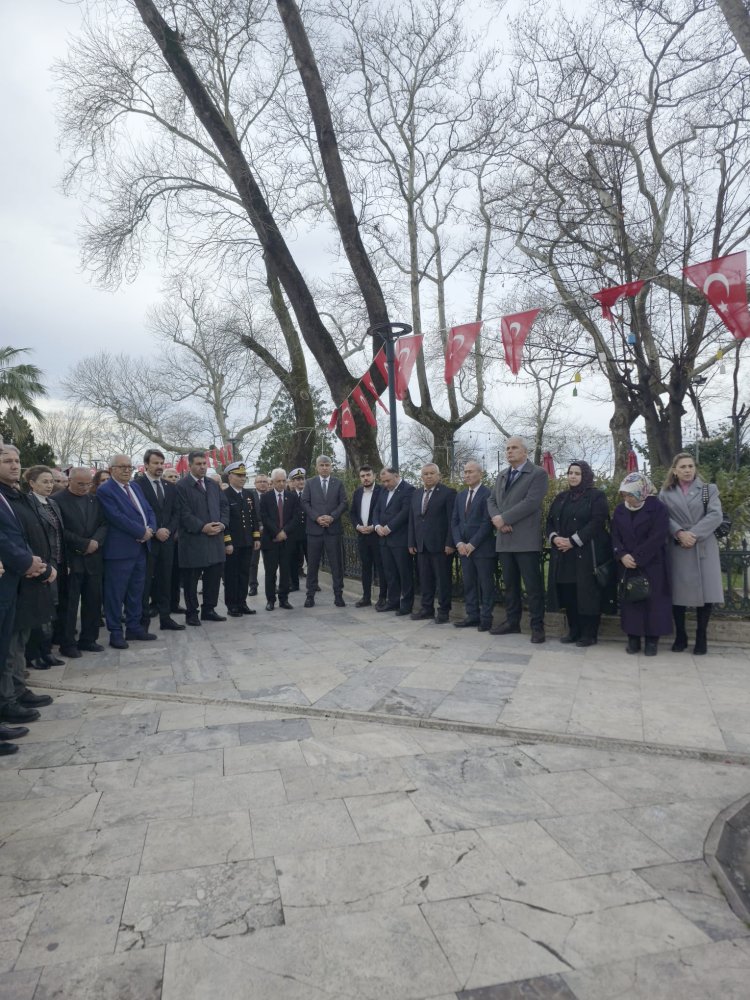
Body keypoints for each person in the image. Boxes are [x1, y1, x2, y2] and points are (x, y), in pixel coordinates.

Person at [0, 444, 56, 730]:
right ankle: (7, 698)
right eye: (6, 460)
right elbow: (6, 539)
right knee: (8, 645)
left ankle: (17, 689)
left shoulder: (16, 497)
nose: (13, 465)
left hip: (27, 575)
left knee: (18, 639)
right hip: (16, 575)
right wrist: (28, 562)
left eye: (17, 460)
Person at [659, 452, 725, 655]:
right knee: (677, 595)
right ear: (675, 471)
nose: (687, 470)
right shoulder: (666, 493)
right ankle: (681, 636)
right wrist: (679, 532)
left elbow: (716, 515)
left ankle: (701, 637)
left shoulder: (708, 490)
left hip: (702, 545)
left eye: (690, 466)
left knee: (706, 594)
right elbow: (663, 517)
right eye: (683, 467)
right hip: (679, 546)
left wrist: (693, 534)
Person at [487, 436, 549, 643]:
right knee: (510, 585)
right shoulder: (502, 475)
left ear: (525, 452)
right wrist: (498, 520)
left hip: (525, 540)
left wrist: (504, 518)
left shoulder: (538, 473)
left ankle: (537, 626)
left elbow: (531, 502)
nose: (509, 451)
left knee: (532, 586)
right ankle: (512, 622)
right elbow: (491, 500)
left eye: (514, 448)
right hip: (504, 540)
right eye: (507, 448)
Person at [546, 460, 612, 647]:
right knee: (569, 593)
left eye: (577, 473)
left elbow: (597, 522)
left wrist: (573, 541)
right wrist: (554, 538)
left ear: (585, 475)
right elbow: (549, 522)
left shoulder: (596, 496)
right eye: (570, 473)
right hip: (564, 555)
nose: (573, 476)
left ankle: (589, 633)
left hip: (586, 554)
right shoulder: (561, 497)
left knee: (587, 594)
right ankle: (573, 630)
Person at [97, 455, 158, 648]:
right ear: (111, 468)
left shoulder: (135, 486)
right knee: (116, 593)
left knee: (136, 591)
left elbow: (148, 510)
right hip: (120, 551)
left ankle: (134, 627)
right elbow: (116, 516)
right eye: (122, 466)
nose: (126, 470)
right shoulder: (106, 490)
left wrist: (150, 529)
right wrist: (141, 531)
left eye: (129, 466)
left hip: (141, 548)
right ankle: (115, 632)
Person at [611, 472, 672, 656]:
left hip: (652, 562)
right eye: (624, 494)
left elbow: (658, 536)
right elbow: (614, 535)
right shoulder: (620, 510)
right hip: (627, 564)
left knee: (654, 602)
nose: (627, 498)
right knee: (632, 602)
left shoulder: (657, 508)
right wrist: (621, 555)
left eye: (630, 494)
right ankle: (633, 638)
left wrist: (637, 557)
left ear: (641, 492)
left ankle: (652, 640)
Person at [174, 449, 231, 626]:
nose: (202, 467)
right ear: (189, 465)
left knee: (213, 578)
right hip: (193, 541)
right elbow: (183, 514)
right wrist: (202, 527)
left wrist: (222, 524)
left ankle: (209, 609)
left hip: (215, 539)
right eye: (198, 464)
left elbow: (224, 507)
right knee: (191, 581)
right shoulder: (181, 486)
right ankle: (192, 613)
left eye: (204, 463)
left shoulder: (213, 485)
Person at [54, 467, 107, 657]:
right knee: (69, 604)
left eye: (88, 484)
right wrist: (84, 543)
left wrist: (96, 542)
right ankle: (67, 643)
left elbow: (103, 524)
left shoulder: (95, 499)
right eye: (81, 484)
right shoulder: (57, 500)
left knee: (93, 601)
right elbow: (59, 529)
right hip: (72, 558)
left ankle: (88, 639)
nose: (85, 487)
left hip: (93, 558)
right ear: (70, 480)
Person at [135, 449, 184, 632]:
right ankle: (142, 620)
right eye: (155, 463)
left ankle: (166, 618)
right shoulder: (137, 485)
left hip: (167, 541)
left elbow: (176, 512)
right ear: (146, 464)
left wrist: (169, 530)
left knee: (165, 580)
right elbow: (138, 512)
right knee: (145, 582)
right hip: (148, 541)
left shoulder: (170, 486)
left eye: (162, 463)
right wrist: (155, 531)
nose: (159, 467)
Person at [22, 466, 66, 669]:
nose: (49, 485)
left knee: (52, 608)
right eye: (44, 482)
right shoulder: (27, 504)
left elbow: (60, 535)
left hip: (56, 562)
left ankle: (46, 650)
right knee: (39, 610)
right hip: (40, 564)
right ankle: (33, 653)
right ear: (32, 484)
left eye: (51, 481)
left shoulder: (53, 504)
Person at [408, 464, 456, 623]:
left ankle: (443, 611)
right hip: (421, 545)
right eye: (425, 474)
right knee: (425, 579)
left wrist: (450, 542)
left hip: (441, 546)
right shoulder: (416, 494)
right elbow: (412, 520)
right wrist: (411, 541)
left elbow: (451, 521)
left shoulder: (448, 493)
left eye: (432, 473)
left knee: (442, 580)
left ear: (439, 475)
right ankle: (426, 608)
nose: (428, 476)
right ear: (421, 476)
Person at [452, 460, 496, 631]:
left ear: (480, 474)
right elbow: (454, 521)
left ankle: (486, 618)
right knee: (469, 584)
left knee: (486, 585)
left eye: (471, 471)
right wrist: (459, 543)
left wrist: (472, 544)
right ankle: (472, 615)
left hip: (482, 549)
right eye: (465, 472)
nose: (467, 475)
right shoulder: (460, 495)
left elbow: (487, 523)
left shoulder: (488, 494)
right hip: (464, 549)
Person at [301, 455, 347, 608]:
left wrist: (332, 517)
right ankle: (310, 596)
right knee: (313, 565)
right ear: (317, 467)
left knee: (336, 565)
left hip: (333, 530)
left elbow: (344, 503)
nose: (325, 467)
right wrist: (316, 517)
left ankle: (338, 595)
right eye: (322, 465)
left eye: (327, 465)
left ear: (331, 467)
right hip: (314, 531)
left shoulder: (338, 483)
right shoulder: (309, 483)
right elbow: (305, 502)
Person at [373, 468, 415, 615]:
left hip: (400, 539)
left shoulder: (408, 490)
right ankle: (393, 601)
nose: (385, 484)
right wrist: (377, 526)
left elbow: (405, 512)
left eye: (388, 480)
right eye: (383, 481)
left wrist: (389, 528)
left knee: (404, 573)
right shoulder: (384, 491)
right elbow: (376, 510)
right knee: (390, 573)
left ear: (397, 476)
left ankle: (406, 604)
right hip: (383, 539)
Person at [222, 461, 261, 616]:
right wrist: (227, 541)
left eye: (244, 475)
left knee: (244, 573)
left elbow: (254, 517)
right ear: (230, 476)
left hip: (247, 541)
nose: (242, 478)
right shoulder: (225, 495)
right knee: (232, 575)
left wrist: (256, 537)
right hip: (233, 542)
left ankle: (242, 602)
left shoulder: (248, 494)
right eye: (239, 475)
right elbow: (224, 521)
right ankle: (232, 605)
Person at [259, 468, 300, 610]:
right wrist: (277, 532)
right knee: (270, 572)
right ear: (273, 482)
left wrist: (285, 532)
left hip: (287, 540)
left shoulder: (292, 497)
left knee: (285, 571)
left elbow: (296, 518)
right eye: (278, 481)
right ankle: (270, 600)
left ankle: (284, 599)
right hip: (271, 540)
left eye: (283, 481)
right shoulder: (265, 497)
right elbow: (265, 517)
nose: (281, 484)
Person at [349, 465, 385, 608]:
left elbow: (384, 512)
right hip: (362, 536)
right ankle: (366, 597)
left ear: (374, 476)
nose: (365, 478)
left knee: (380, 567)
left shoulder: (382, 491)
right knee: (365, 567)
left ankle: (382, 597)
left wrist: (373, 526)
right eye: (363, 476)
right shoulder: (357, 492)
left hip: (377, 535)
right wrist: (358, 526)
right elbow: (352, 513)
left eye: (368, 475)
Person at [248, 473, 270, 597]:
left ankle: (271, 584)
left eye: (264, 481)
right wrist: (259, 526)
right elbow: (249, 515)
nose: (262, 483)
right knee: (253, 562)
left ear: (268, 484)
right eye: (259, 481)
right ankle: (253, 585)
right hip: (254, 534)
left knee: (270, 562)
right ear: (255, 484)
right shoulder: (250, 497)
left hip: (269, 534)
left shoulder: (272, 496)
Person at [287, 468, 307, 591]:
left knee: (312, 559)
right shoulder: (289, 496)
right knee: (293, 560)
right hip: (294, 534)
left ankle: (313, 583)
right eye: (297, 479)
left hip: (308, 532)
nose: (300, 481)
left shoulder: (310, 494)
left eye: (302, 479)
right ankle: (294, 584)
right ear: (293, 482)